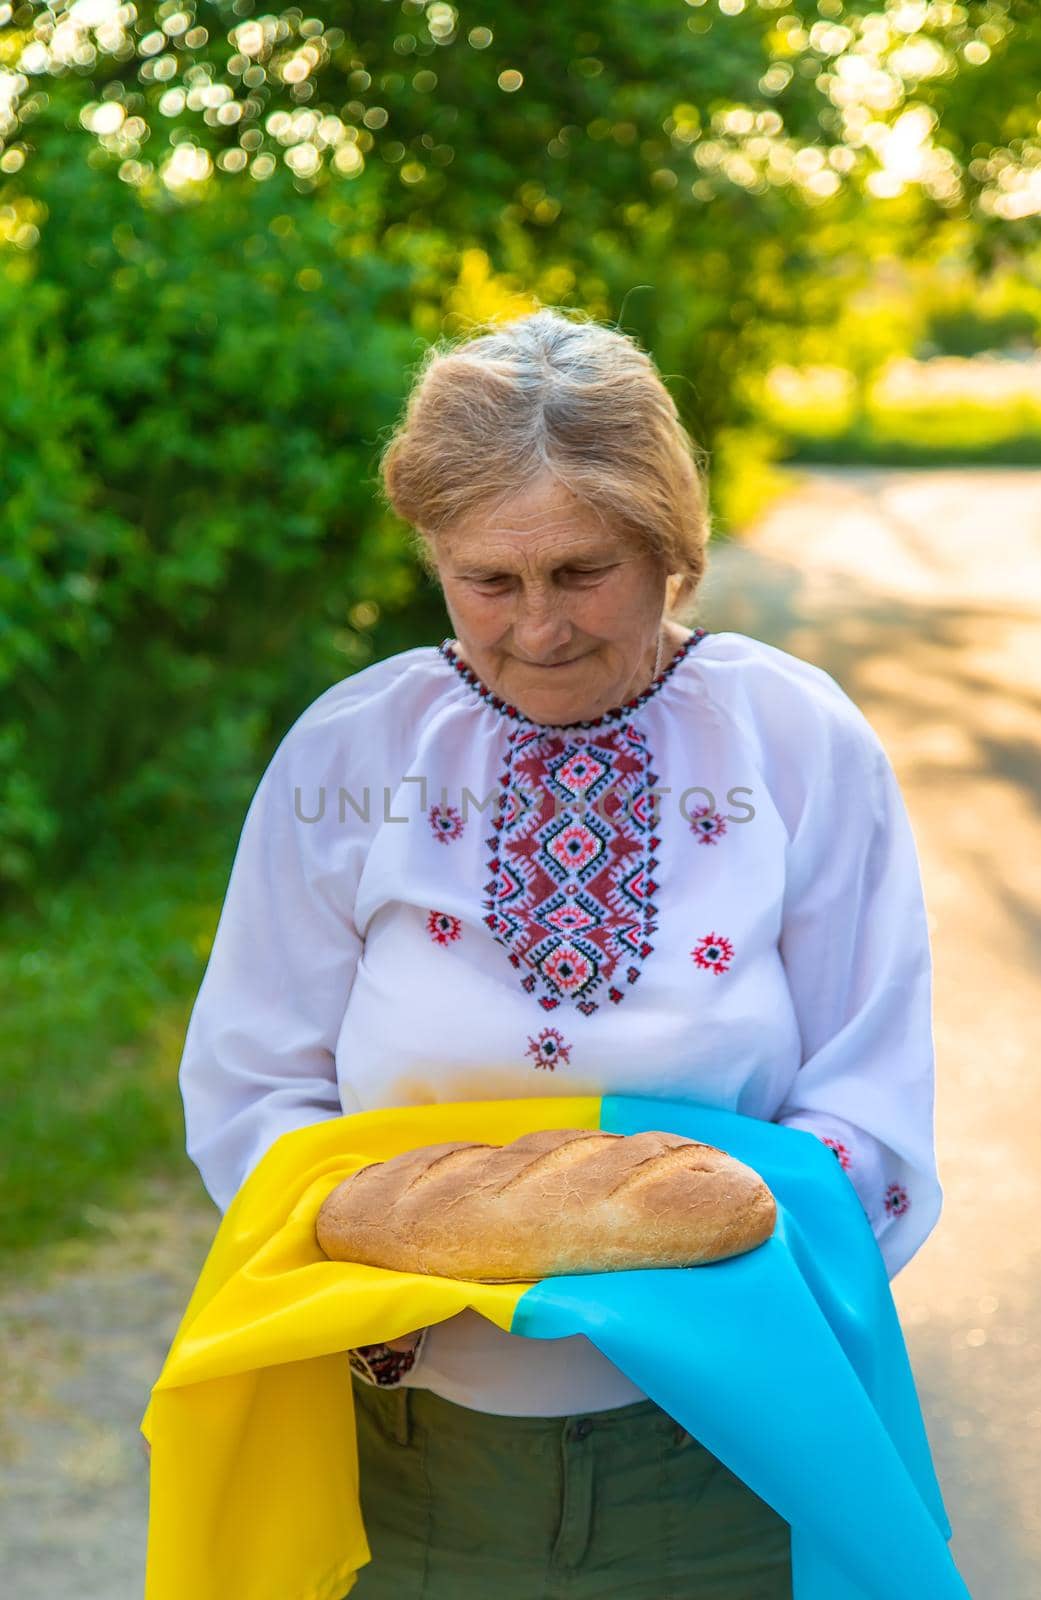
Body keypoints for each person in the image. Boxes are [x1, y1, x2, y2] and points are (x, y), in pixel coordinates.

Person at [176, 308, 942, 1599]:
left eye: (581, 573)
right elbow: (253, 1086)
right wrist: (376, 1280)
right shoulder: (352, 752)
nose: (536, 628)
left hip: (727, 1446)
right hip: (410, 1460)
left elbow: (869, 1093)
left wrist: (719, 1275)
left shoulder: (792, 739)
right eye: (489, 581)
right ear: (433, 558)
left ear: (668, 548)